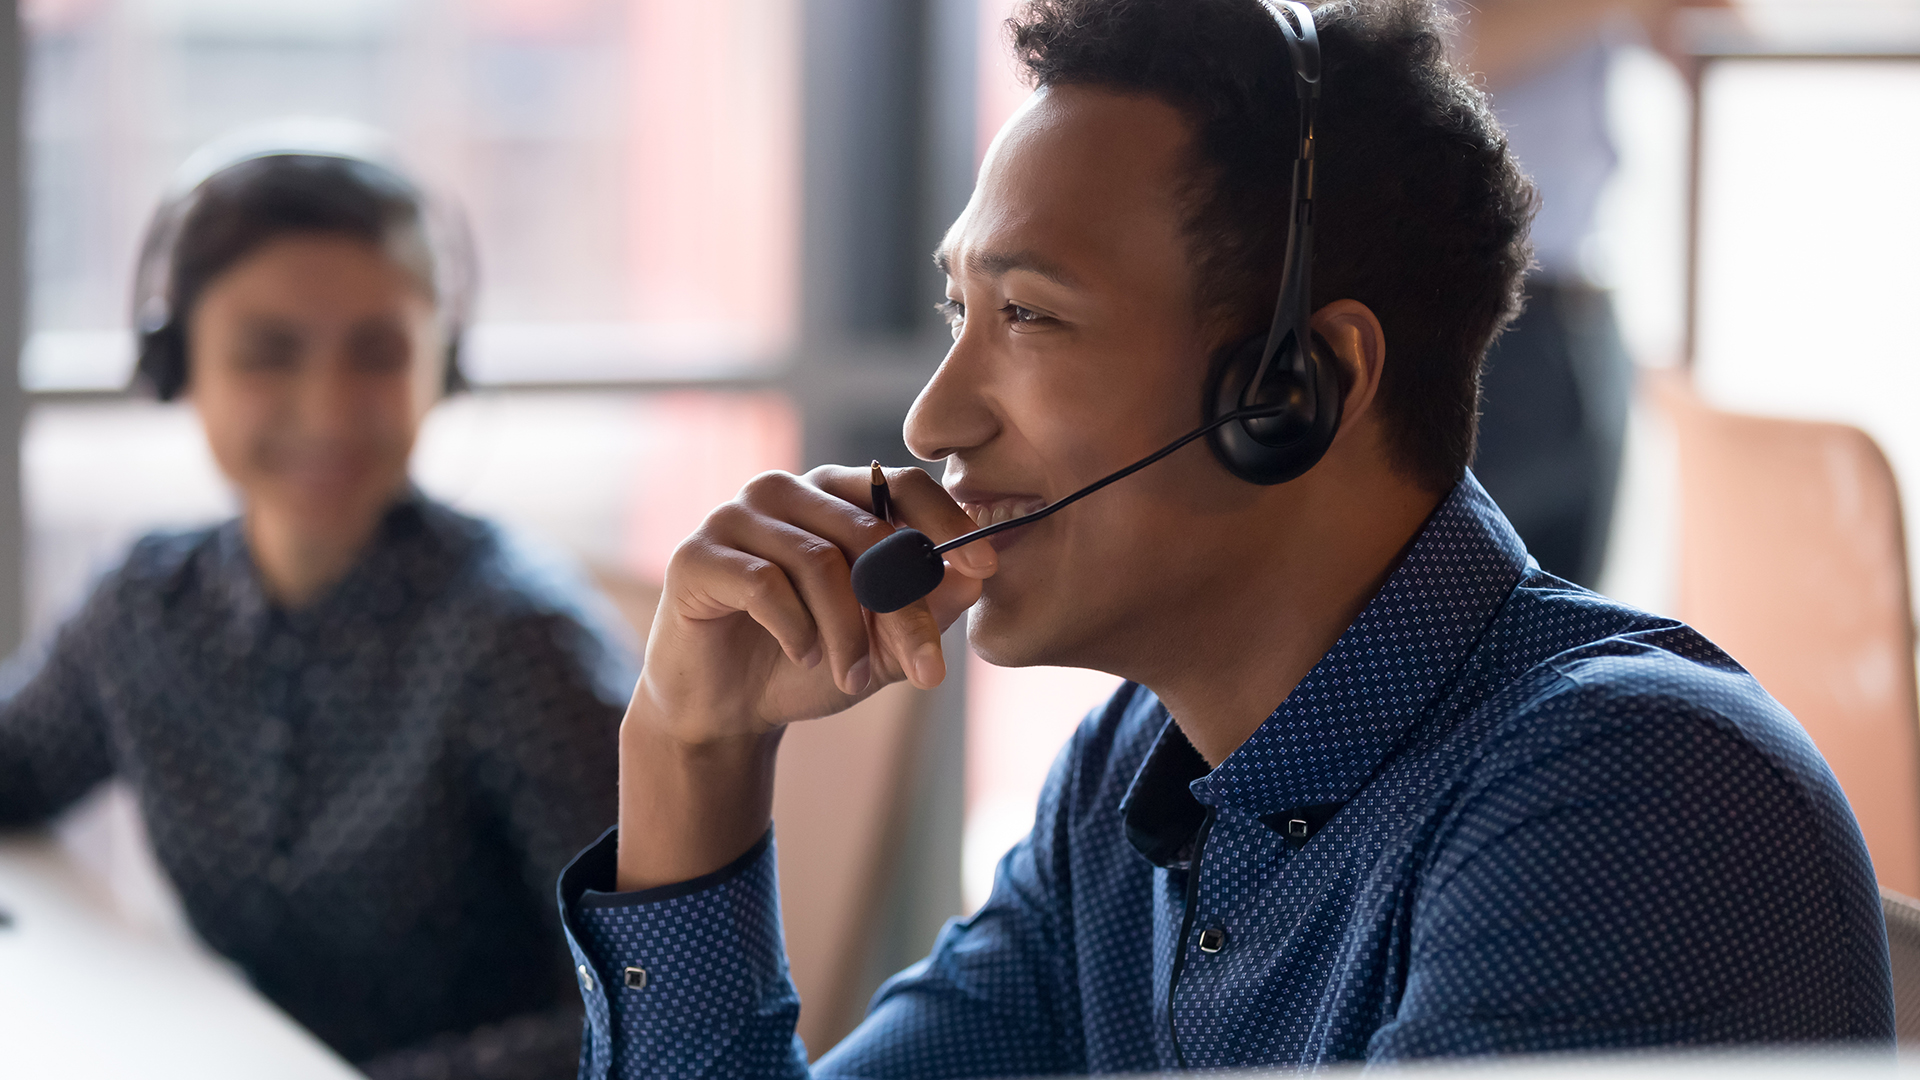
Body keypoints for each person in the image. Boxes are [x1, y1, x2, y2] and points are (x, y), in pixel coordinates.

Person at [557, 0, 1892, 1075]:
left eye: (1029, 317)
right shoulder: (1134, 787)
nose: (933, 418)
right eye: (960, 311)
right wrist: (691, 752)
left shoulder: (1625, 806)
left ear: (1294, 389)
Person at [0, 145, 636, 1080]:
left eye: (379, 353)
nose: (330, 410)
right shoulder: (145, 609)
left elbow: (650, 1002)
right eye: (269, 353)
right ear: (177, 363)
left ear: (441, 365)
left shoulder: (518, 644)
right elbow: (13, 768)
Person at [1458, 0, 1727, 586]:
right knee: (1450, 605)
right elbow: (1427, 46)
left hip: (1586, 309)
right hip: (1469, 311)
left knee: (1580, 612)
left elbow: (1718, 47)